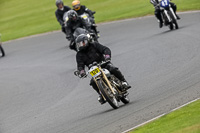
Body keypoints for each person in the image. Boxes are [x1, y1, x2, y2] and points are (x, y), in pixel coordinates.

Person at [75, 34, 131, 104]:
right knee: (92, 82)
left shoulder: (94, 45)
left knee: (113, 69)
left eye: (82, 43)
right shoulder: (79, 54)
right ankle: (101, 94)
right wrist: (82, 72)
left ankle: (124, 82)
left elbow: (105, 49)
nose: (81, 45)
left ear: (87, 41)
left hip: (103, 64)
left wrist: (107, 56)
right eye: (79, 44)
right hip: (93, 70)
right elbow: (80, 65)